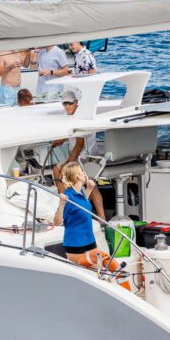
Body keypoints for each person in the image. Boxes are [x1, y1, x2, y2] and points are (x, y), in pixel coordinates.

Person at [54, 162, 130, 290]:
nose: (85, 174)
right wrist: (61, 204)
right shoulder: (69, 196)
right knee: (84, 275)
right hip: (75, 242)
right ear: (77, 176)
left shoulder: (81, 191)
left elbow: (83, 207)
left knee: (95, 275)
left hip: (89, 239)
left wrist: (89, 189)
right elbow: (57, 222)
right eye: (82, 172)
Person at [51, 89, 105, 219]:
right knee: (91, 185)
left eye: (70, 103)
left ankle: (66, 206)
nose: (67, 106)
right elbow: (74, 137)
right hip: (88, 157)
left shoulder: (77, 119)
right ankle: (101, 218)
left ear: (76, 103)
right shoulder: (77, 115)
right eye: (65, 104)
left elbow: (79, 144)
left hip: (85, 159)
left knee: (59, 170)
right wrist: (61, 140)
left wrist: (69, 162)